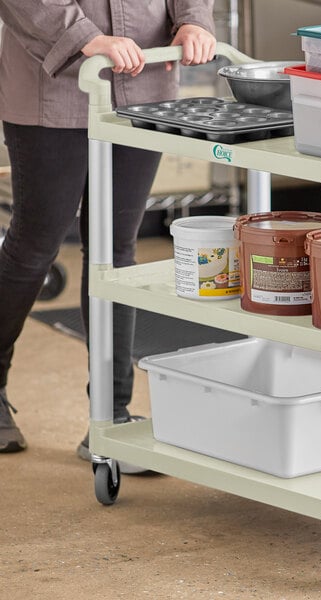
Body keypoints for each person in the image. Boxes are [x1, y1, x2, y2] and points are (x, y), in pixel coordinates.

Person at [0, 1, 216, 464]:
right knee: (36, 243)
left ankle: (111, 413)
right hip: (54, 86)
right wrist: (84, 38)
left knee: (115, 249)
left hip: (145, 82)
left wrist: (194, 19)